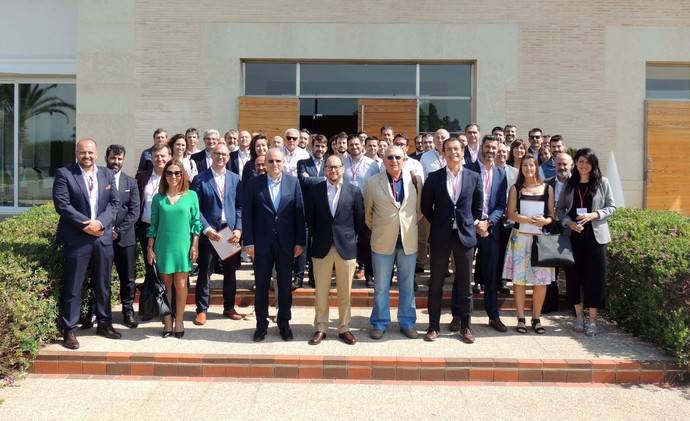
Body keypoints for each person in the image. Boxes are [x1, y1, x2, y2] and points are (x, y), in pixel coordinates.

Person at [53, 138, 122, 350]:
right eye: (83, 152)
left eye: (90, 153)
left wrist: (99, 223)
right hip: (77, 238)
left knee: (103, 284)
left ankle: (104, 323)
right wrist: (86, 225)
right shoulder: (65, 174)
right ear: (77, 153)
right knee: (74, 285)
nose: (87, 156)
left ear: (96, 153)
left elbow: (114, 203)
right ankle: (69, 330)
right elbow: (62, 205)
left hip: (102, 237)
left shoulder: (107, 174)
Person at [421, 137, 482, 343]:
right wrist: (440, 222)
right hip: (440, 237)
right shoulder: (434, 177)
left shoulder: (473, 177)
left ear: (463, 151)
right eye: (448, 149)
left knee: (465, 284)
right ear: (443, 153)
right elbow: (425, 207)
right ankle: (433, 326)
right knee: (436, 283)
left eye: (456, 149)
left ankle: (465, 326)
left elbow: (478, 208)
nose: (453, 152)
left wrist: (465, 223)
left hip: (464, 237)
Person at [243, 148, 306, 342]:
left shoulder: (293, 183)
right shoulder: (254, 184)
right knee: (261, 286)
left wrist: (299, 242)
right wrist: (249, 242)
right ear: (265, 164)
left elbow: (299, 214)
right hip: (261, 244)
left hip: (286, 244)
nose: (275, 165)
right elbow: (247, 215)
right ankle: (261, 325)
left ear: (284, 162)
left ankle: (284, 323)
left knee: (285, 286)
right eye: (270, 161)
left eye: (278, 161)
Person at [364, 145, 422, 340]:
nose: (394, 160)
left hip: (408, 240)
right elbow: (368, 214)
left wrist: (405, 225)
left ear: (404, 158)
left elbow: (419, 211)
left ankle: (407, 322)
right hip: (382, 241)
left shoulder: (415, 180)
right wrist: (384, 227)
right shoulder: (373, 182)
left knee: (407, 285)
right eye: (390, 157)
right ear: (383, 159)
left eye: (398, 157)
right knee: (381, 286)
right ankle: (380, 323)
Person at [306, 155, 364, 345]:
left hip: (346, 248)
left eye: (337, 167)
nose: (333, 171)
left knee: (345, 292)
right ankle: (321, 327)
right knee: (321, 291)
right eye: (329, 167)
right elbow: (310, 219)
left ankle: (344, 327)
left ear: (342, 169)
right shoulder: (315, 191)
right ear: (324, 170)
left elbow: (359, 221)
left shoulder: (354, 191)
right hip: (321, 247)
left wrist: (350, 240)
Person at [557, 148, 616, 336]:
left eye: (588, 162)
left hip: (596, 238)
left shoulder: (602, 182)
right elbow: (559, 209)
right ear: (576, 163)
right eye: (581, 161)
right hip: (574, 237)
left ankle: (592, 320)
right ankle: (579, 318)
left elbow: (612, 206)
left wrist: (595, 214)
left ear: (593, 164)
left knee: (595, 279)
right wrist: (569, 223)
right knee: (574, 278)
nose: (584, 165)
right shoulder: (570, 183)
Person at [146, 159, 201, 338]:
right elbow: (153, 225)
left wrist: (195, 245)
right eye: (169, 173)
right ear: (165, 175)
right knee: (165, 286)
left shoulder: (191, 195)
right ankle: (167, 321)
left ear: (183, 175)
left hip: (183, 247)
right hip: (163, 247)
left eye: (177, 173)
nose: (174, 176)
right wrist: (150, 248)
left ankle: (179, 321)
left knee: (181, 284)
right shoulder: (158, 198)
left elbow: (196, 223)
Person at [190, 143, 243, 324]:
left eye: (224, 155)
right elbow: (195, 209)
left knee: (230, 272)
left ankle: (229, 307)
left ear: (228, 157)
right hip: (210, 232)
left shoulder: (235, 179)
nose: (221, 157)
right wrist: (207, 229)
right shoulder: (200, 179)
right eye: (217, 154)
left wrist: (238, 228)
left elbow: (239, 207)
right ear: (211, 155)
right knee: (205, 272)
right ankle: (202, 310)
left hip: (228, 232)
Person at [503, 155, 555, 334]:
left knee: (541, 281)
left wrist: (545, 221)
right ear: (521, 168)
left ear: (536, 167)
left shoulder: (547, 188)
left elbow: (552, 215)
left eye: (531, 165)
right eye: (525, 165)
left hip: (540, 241)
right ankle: (520, 318)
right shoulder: (516, 188)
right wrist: (529, 220)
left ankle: (536, 318)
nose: (528, 168)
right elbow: (510, 214)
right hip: (520, 239)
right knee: (519, 280)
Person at [465, 135, 508, 333]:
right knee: (464, 276)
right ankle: (462, 317)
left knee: (491, 276)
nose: (491, 151)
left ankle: (493, 315)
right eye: (488, 147)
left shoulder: (501, 173)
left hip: (491, 230)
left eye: (494, 148)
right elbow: (463, 200)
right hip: (469, 229)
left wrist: (488, 223)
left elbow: (501, 204)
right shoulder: (469, 169)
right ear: (481, 147)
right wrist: (476, 223)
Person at [105, 144, 141, 329]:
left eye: (119, 159)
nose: (116, 162)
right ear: (106, 158)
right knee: (102, 277)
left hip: (125, 239)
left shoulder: (131, 182)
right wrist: (105, 230)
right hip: (102, 238)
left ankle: (128, 311)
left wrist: (117, 231)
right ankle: (100, 312)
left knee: (128, 278)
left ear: (123, 160)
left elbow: (135, 212)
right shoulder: (98, 179)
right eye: (113, 158)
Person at [135, 144, 170, 307]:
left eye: (163, 156)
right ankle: (148, 306)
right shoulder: (142, 176)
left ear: (169, 157)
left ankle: (167, 304)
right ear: (151, 158)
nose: (159, 159)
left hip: (168, 230)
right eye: (156, 156)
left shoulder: (175, 176)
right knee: (150, 265)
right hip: (146, 227)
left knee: (165, 267)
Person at [541, 152, 574, 314]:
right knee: (550, 268)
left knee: (572, 269)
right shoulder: (546, 184)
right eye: (559, 164)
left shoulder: (577, 184)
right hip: (551, 229)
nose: (561, 167)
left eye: (565, 164)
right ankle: (549, 304)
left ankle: (574, 306)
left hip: (572, 230)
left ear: (571, 166)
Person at [296, 134, 328, 288]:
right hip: (305, 210)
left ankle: (314, 278)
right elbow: (303, 180)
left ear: (326, 148)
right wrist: (323, 179)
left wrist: (313, 179)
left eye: (322, 146)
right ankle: (299, 277)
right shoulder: (302, 163)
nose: (319, 149)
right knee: (303, 245)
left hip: (322, 212)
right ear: (311, 147)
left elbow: (333, 180)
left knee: (317, 245)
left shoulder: (330, 162)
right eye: (317, 146)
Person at [344, 134, 375, 287]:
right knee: (349, 241)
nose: (354, 147)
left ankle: (369, 274)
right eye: (351, 145)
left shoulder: (372, 164)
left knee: (366, 241)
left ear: (362, 146)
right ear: (347, 147)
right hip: (347, 207)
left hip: (365, 205)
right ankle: (350, 273)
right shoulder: (343, 162)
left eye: (357, 144)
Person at [496, 142, 518, 295]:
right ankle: (481, 280)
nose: (502, 154)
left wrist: (511, 210)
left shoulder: (515, 172)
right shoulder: (489, 170)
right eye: (499, 151)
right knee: (489, 251)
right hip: (493, 217)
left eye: (504, 152)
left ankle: (502, 281)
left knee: (505, 251)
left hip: (510, 218)